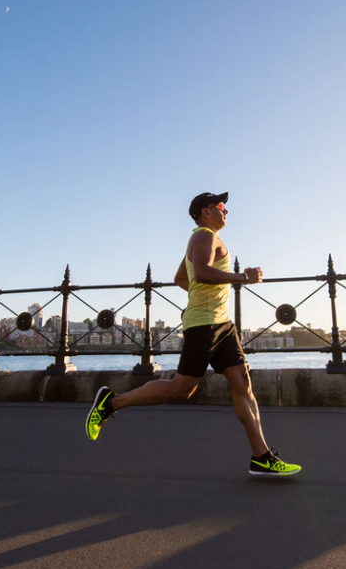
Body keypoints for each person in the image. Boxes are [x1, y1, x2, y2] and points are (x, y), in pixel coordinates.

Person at [85, 191, 301, 477]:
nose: (226, 211)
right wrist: (242, 278)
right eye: (221, 206)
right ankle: (110, 403)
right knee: (181, 389)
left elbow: (181, 278)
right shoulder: (204, 237)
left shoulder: (206, 238)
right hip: (205, 325)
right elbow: (199, 273)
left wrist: (206, 297)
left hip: (222, 324)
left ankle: (261, 456)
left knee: (242, 381)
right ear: (205, 211)